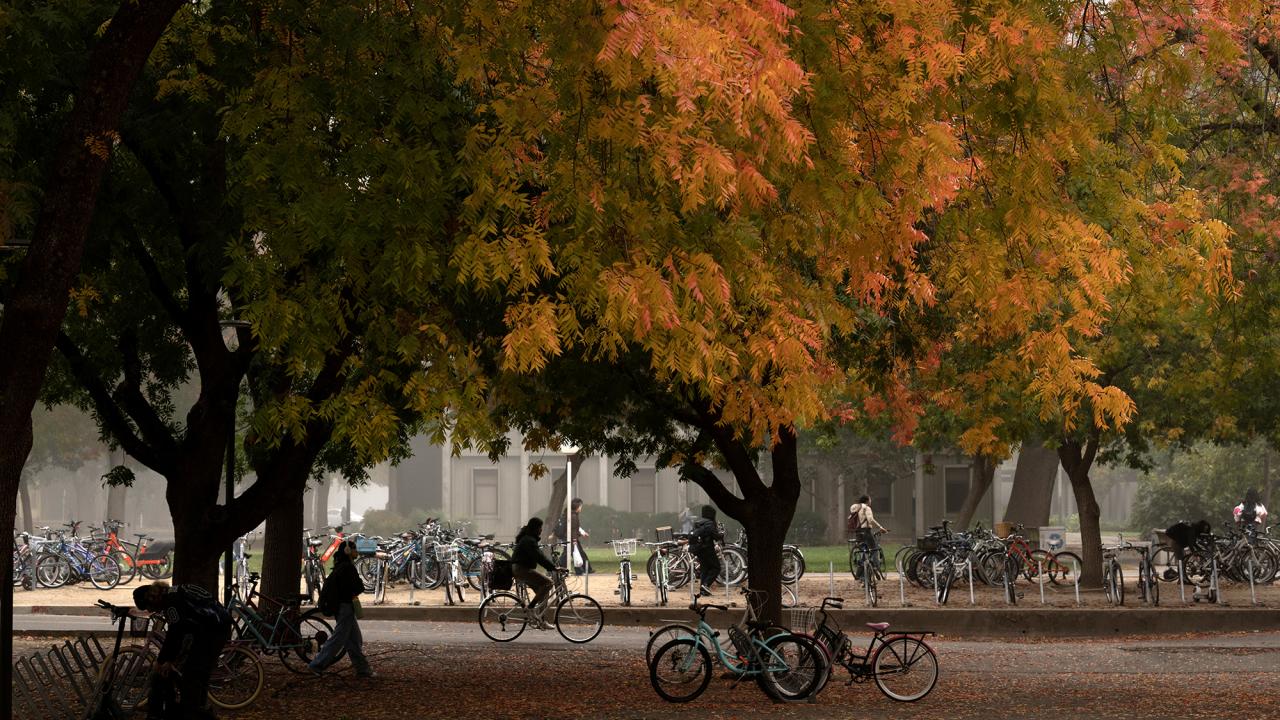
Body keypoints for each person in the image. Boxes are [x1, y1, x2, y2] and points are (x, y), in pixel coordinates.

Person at [132, 582, 231, 720]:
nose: (153, 611)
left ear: (152, 598)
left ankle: (193, 713)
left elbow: (175, 633)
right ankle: (199, 708)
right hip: (215, 625)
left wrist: (163, 661)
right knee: (197, 673)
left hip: (214, 629)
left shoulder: (171, 604)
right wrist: (170, 659)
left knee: (193, 674)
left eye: (150, 607)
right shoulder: (173, 593)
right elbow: (181, 629)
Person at [310, 540, 374, 678]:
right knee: (338, 639)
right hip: (345, 607)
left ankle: (363, 669)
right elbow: (357, 587)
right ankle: (317, 664)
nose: (357, 552)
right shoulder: (348, 568)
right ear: (348, 551)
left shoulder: (340, 566)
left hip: (342, 607)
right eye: (354, 549)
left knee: (354, 640)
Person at [512, 517, 558, 624]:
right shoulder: (529, 540)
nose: (541, 530)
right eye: (540, 527)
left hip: (521, 569)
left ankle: (541, 620)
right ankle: (530, 608)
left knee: (543, 593)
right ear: (536, 528)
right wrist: (553, 567)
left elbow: (539, 555)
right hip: (522, 570)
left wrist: (551, 566)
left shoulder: (528, 539)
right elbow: (539, 557)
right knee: (548, 583)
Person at [688, 505, 723, 597]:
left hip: (698, 549)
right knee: (716, 568)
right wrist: (722, 535)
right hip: (707, 548)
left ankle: (703, 590)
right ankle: (706, 585)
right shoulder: (710, 523)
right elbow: (716, 536)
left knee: (704, 568)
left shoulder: (698, 522)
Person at [553, 498, 591, 575]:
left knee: (577, 553)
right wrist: (574, 540)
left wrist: (581, 534)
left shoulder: (572, 515)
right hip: (570, 538)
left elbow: (576, 528)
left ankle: (582, 570)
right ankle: (554, 570)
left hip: (571, 538)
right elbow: (573, 530)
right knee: (566, 555)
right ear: (577, 507)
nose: (581, 508)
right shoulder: (572, 516)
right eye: (580, 506)